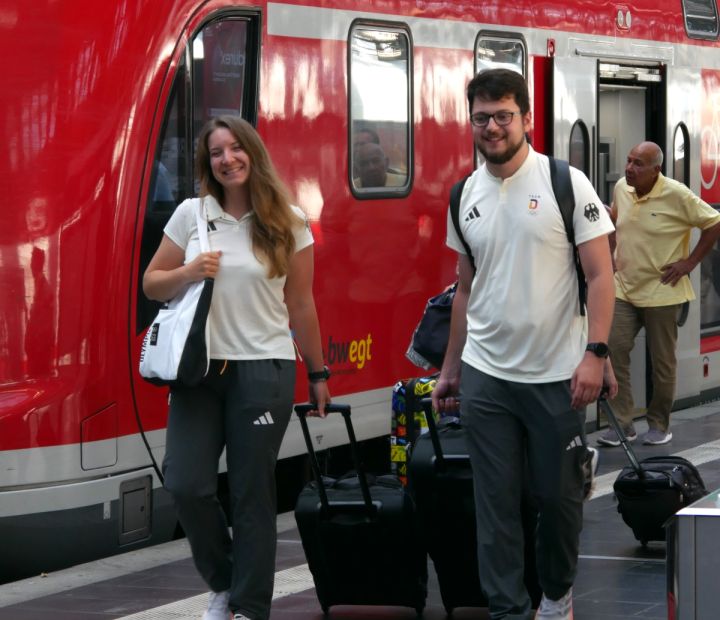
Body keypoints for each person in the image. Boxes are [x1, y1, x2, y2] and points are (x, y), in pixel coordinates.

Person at [431, 68, 617, 620]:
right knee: (494, 507)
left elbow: (602, 276)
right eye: (482, 117)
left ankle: (556, 596)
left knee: (558, 502)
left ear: (528, 119)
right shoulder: (463, 195)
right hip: (487, 376)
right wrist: (450, 369)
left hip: (557, 374)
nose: (492, 127)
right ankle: (509, 610)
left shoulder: (566, 183)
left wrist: (595, 353)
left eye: (503, 116)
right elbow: (465, 288)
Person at [143, 115, 331, 620]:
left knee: (252, 493)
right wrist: (185, 272)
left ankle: (249, 607)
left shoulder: (288, 221)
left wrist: (317, 374)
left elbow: (302, 305)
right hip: (199, 373)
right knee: (186, 483)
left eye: (235, 149)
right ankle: (224, 582)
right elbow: (151, 283)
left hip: (262, 371)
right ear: (209, 163)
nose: (228, 160)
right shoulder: (191, 215)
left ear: (252, 152)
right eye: (217, 153)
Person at [598, 141, 720, 447]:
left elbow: (714, 222)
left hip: (663, 292)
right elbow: (615, 222)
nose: (629, 168)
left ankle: (659, 424)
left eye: (639, 164)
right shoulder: (622, 190)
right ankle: (623, 423)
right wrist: (609, 260)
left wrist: (690, 262)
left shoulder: (676, 193)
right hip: (625, 288)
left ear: (656, 170)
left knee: (662, 363)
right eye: (628, 160)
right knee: (614, 350)